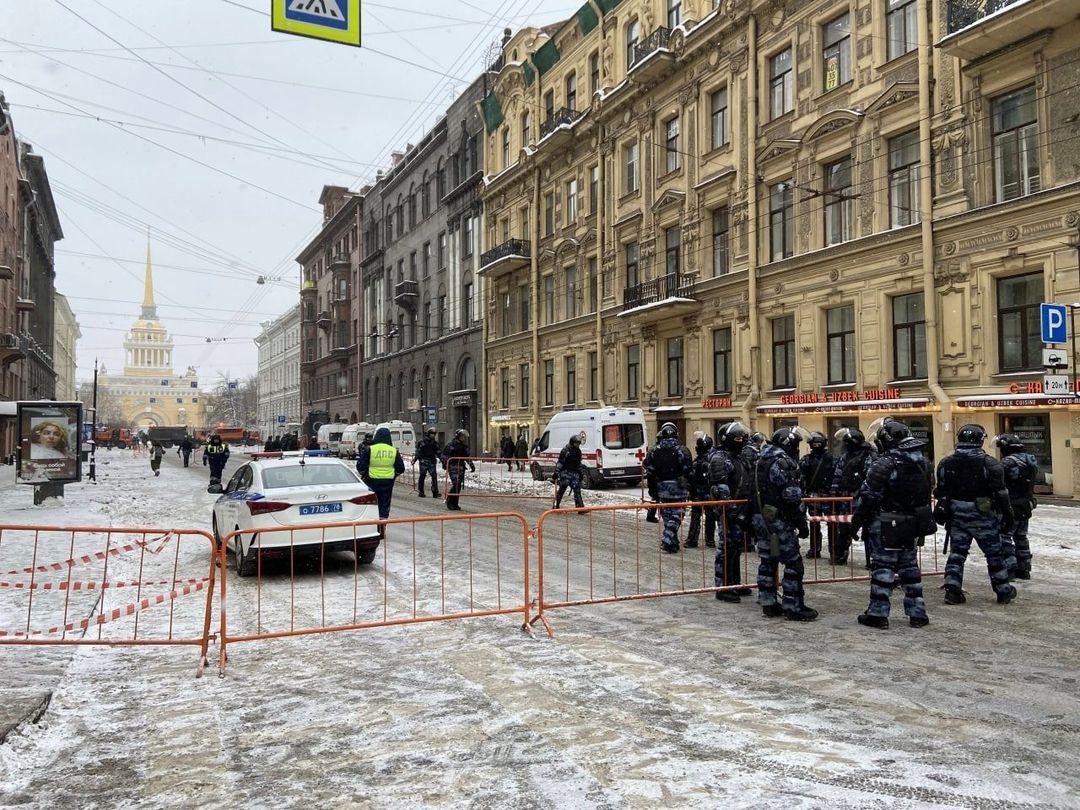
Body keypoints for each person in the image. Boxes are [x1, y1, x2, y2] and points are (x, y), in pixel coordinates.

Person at [850, 419, 933, 629]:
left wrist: (856, 522)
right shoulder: (922, 462)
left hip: (887, 521)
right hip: (912, 521)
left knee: (883, 567)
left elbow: (868, 497)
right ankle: (917, 612)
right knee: (910, 567)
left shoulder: (884, 463)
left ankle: (878, 613)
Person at [934, 424, 1017, 606]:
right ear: (980, 440)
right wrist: (1008, 516)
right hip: (984, 516)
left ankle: (952, 588)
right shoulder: (990, 464)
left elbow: (940, 490)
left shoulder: (945, 463)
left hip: (957, 515)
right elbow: (1001, 494)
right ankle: (1003, 590)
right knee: (994, 554)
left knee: (957, 554)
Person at [749, 427, 817, 622]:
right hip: (779, 521)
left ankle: (768, 602)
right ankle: (793, 606)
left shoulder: (759, 460)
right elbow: (791, 498)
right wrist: (801, 523)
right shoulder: (784, 463)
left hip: (761, 519)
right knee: (793, 563)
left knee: (768, 561)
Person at [710, 423, 754, 602]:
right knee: (726, 548)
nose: (741, 441)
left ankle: (735, 582)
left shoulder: (740, 456)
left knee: (736, 547)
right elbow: (720, 486)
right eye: (737, 438)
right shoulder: (720, 458)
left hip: (741, 509)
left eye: (742, 438)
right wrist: (729, 508)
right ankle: (723, 586)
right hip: (727, 511)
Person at [829, 427, 877, 567]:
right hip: (847, 498)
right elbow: (838, 474)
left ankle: (872, 560)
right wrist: (834, 491)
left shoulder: (869, 455)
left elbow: (871, 477)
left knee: (868, 530)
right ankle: (840, 556)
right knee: (843, 528)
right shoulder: (846, 456)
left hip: (862, 498)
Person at [995, 433, 1038, 581]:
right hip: (1025, 505)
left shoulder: (1006, 464)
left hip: (1009, 506)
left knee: (1004, 536)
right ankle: (1024, 568)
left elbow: (999, 485)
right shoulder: (1030, 461)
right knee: (1021, 537)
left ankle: (1010, 568)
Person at [646, 422, 693, 554]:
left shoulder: (654, 451)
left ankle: (673, 543)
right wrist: (690, 486)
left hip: (662, 487)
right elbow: (688, 471)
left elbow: (650, 472)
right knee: (678, 514)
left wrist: (653, 490)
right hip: (678, 487)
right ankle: (668, 539)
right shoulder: (681, 450)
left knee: (667, 515)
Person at [799, 432, 836, 560]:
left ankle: (816, 550)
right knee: (828, 524)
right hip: (825, 495)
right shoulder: (832, 458)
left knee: (818, 524)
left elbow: (801, 478)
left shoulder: (807, 459)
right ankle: (831, 552)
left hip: (817, 495)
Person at [356, 426, 405, 520]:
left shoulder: (370, 449)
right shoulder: (394, 451)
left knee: (372, 504)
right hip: (388, 482)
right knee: (384, 504)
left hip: (372, 481)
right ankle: (382, 526)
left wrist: (366, 475)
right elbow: (401, 468)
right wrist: (394, 476)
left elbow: (360, 466)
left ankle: (372, 524)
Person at [685, 435, 716, 549]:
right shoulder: (712, 459)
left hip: (699, 493)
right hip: (707, 493)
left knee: (696, 516)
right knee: (710, 516)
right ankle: (710, 540)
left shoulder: (699, 462)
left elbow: (691, 478)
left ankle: (692, 540)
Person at [441, 429, 476, 511]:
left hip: (461, 467)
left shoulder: (464, 446)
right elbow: (444, 455)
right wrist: (446, 463)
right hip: (453, 466)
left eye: (464, 437)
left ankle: (455, 503)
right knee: (456, 484)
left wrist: (471, 465)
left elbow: (467, 457)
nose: (463, 438)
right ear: (458, 436)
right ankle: (449, 501)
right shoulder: (451, 445)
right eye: (462, 436)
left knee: (458, 486)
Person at [553, 434, 585, 511]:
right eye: (576, 443)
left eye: (578, 443)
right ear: (572, 442)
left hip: (574, 472)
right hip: (565, 471)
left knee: (577, 489)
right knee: (563, 486)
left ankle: (580, 508)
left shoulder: (578, 451)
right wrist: (556, 472)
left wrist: (581, 473)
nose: (577, 445)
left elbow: (578, 463)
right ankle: (556, 505)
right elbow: (560, 462)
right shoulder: (565, 450)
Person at [413, 428, 441, 498]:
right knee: (422, 475)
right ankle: (421, 491)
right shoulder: (422, 442)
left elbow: (438, 452)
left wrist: (443, 460)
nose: (433, 435)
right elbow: (418, 452)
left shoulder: (435, 443)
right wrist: (415, 459)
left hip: (431, 461)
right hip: (423, 461)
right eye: (432, 434)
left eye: (434, 434)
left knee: (434, 476)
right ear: (428, 434)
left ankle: (435, 492)